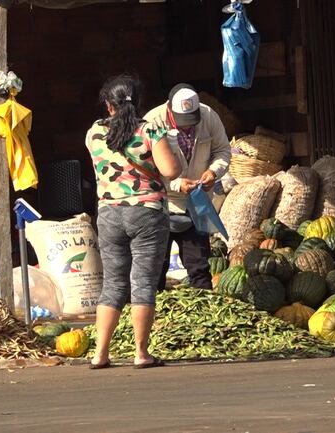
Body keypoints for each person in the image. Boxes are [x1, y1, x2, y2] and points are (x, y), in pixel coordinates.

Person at [85, 75, 182, 369]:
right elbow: (171, 170)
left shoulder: (94, 133)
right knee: (142, 284)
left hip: (109, 214)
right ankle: (141, 353)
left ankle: (100, 354)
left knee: (112, 284)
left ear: (108, 105)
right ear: (137, 101)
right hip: (147, 214)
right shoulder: (151, 131)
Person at [144, 84, 231, 290]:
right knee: (155, 270)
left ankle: (206, 316)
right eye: (181, 122)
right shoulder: (151, 122)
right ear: (169, 110)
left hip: (197, 204)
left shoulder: (209, 116)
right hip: (160, 206)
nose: (186, 127)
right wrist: (175, 184)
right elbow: (145, 168)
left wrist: (213, 172)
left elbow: (223, 151)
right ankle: (154, 320)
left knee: (199, 268)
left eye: (191, 122)